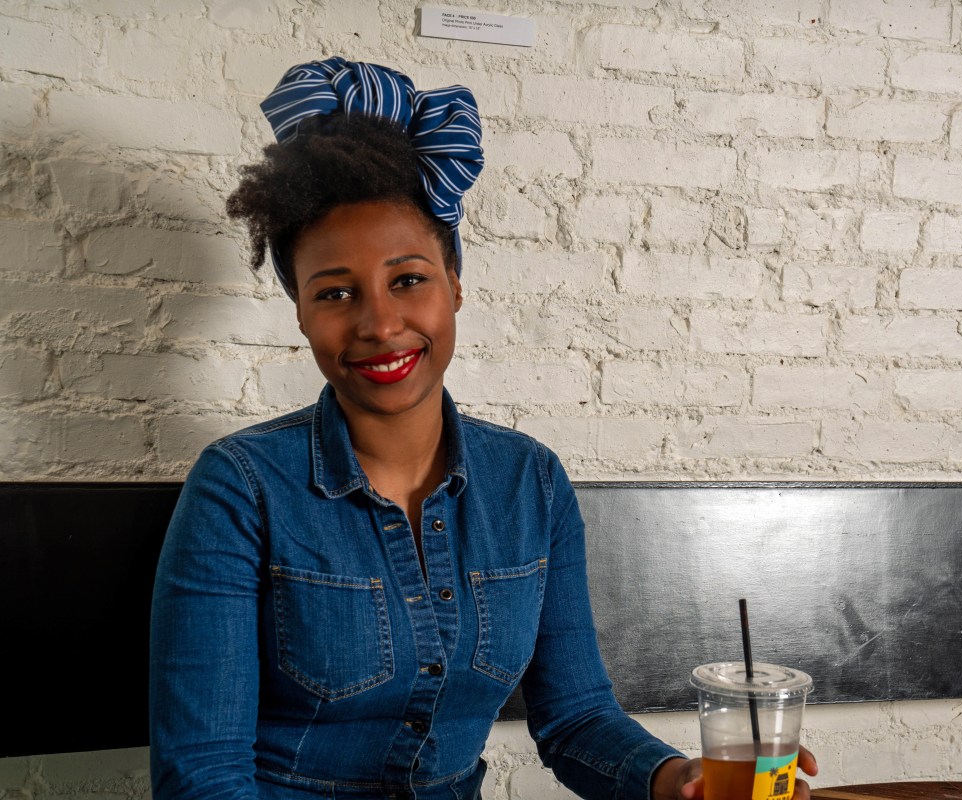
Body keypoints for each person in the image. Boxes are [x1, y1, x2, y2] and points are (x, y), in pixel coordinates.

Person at [149, 57, 817, 800]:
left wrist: (675, 778)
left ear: (455, 284)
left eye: (409, 280)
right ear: (301, 314)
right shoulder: (241, 487)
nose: (379, 323)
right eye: (335, 292)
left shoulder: (530, 482)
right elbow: (202, 778)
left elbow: (576, 717)